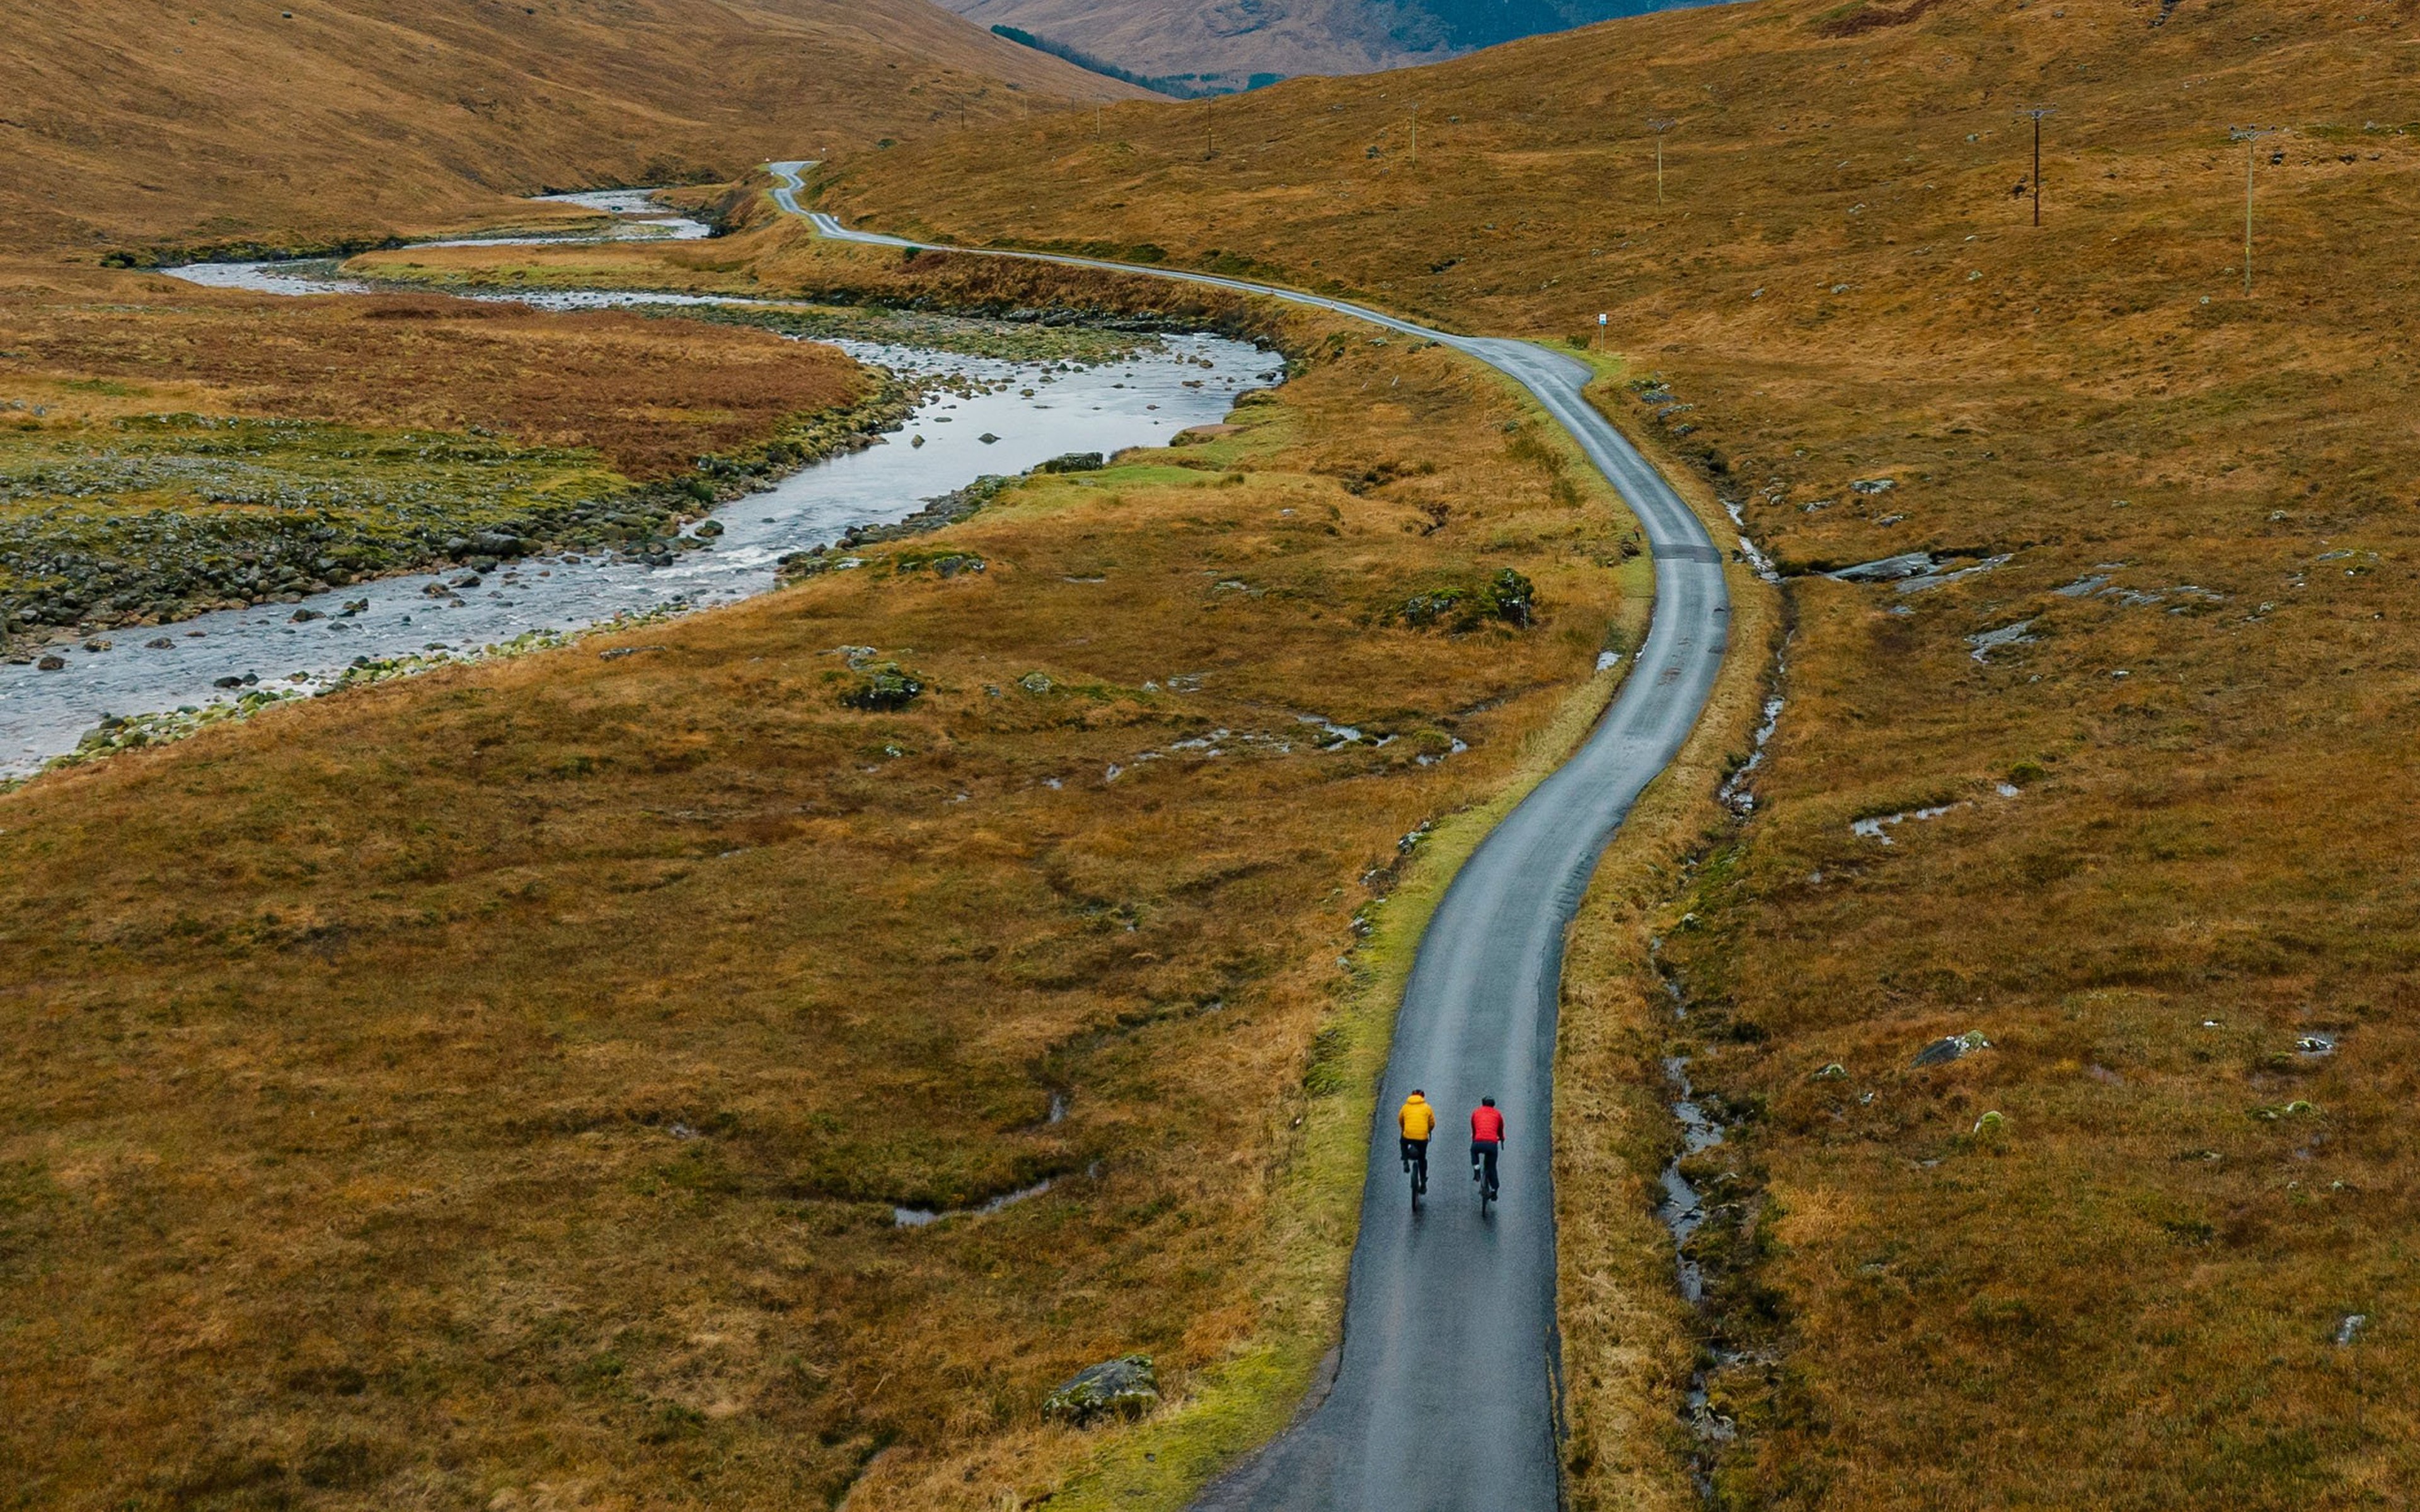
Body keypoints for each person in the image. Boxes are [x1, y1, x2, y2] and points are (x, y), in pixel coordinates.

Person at [1398, 1089, 1436, 1193]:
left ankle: (1405, 1160)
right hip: (1422, 1138)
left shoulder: (1405, 1107)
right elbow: (1432, 1123)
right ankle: (1423, 1182)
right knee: (1422, 1159)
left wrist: (1404, 1129)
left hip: (1408, 1135)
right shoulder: (1427, 1107)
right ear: (1423, 1097)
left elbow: (1400, 1119)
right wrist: (1428, 1130)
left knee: (1403, 1141)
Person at [1470, 1097, 1504, 1196]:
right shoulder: (1498, 1114)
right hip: (1492, 1144)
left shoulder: (1476, 1112)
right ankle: (1494, 1189)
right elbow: (1501, 1129)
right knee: (1492, 1167)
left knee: (1473, 1151)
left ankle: (1476, 1167)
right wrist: (1502, 1138)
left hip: (1478, 1142)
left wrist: (1475, 1137)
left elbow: (1474, 1127)